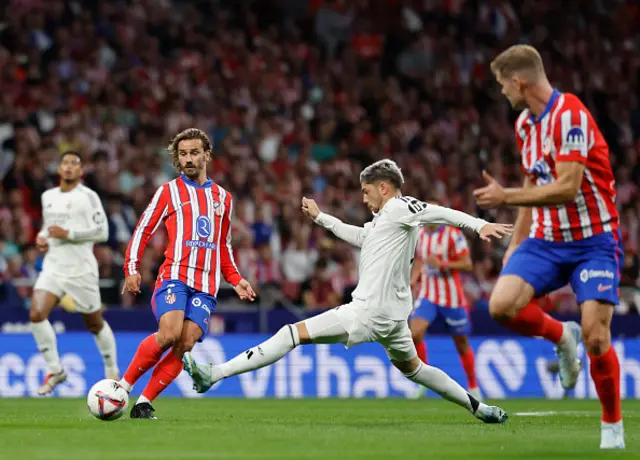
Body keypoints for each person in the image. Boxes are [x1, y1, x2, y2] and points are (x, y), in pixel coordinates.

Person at [183, 159, 512, 424]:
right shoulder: (385, 221)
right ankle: (479, 408)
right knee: (417, 370)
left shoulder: (400, 208)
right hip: (394, 317)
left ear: (384, 188)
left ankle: (215, 373)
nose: (363, 198)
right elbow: (359, 236)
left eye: (367, 191)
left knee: (290, 333)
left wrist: (478, 225)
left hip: (369, 312)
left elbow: (438, 212)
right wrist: (322, 218)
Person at [473, 45, 624, 449]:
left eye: (504, 84)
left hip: (594, 240)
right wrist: (517, 241)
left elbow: (566, 187)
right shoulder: (525, 124)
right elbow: (534, 181)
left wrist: (504, 199)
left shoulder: (570, 115)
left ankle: (612, 427)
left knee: (596, 337)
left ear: (520, 81)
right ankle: (561, 337)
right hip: (545, 239)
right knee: (501, 305)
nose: (503, 92)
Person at [118, 128, 256, 419]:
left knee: (186, 343)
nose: (188, 159)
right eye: (183, 154)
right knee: (168, 334)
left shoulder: (223, 198)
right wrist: (132, 268)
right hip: (174, 277)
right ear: (177, 159)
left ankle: (143, 403)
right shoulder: (169, 192)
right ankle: (122, 387)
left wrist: (236, 279)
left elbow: (223, 246)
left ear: (207, 154)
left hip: (206, 286)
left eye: (194, 153)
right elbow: (143, 230)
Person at [30, 151, 118, 395]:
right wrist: (42, 237)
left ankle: (112, 370)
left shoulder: (88, 197)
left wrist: (69, 234)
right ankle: (55, 369)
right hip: (54, 266)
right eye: (65, 163)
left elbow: (102, 233)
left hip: (81, 269)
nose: (69, 167)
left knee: (95, 323)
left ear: (81, 171)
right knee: (36, 314)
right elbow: (48, 228)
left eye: (74, 164)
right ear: (59, 169)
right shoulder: (48, 196)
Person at [409, 208, 479, 400]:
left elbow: (467, 264)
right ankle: (424, 381)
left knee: (462, 344)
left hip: (452, 297)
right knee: (414, 334)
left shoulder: (453, 235)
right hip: (428, 295)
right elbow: (421, 261)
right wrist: (413, 279)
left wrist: (444, 264)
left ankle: (473, 386)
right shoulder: (421, 235)